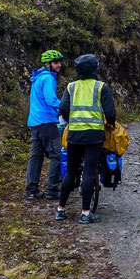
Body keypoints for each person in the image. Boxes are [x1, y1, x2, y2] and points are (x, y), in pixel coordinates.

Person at [56, 53, 115, 224]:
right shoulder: (101, 87)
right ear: (94, 69)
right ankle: (85, 213)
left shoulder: (71, 87)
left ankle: (60, 210)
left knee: (71, 170)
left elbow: (63, 109)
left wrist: (71, 122)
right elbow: (110, 113)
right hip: (94, 135)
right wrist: (110, 124)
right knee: (89, 171)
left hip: (74, 134)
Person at [25, 50, 65, 200]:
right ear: (48, 64)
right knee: (57, 155)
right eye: (56, 62)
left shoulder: (37, 78)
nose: (59, 65)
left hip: (35, 123)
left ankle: (32, 190)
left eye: (60, 62)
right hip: (47, 122)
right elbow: (51, 100)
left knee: (35, 157)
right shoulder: (48, 78)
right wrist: (65, 107)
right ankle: (52, 190)